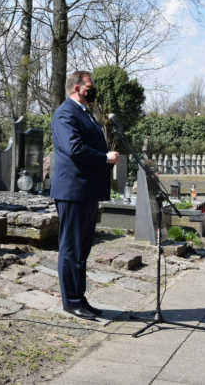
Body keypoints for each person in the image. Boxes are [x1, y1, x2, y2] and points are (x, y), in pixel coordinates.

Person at [51, 71, 120, 320]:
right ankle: (71, 301)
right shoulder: (65, 113)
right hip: (73, 191)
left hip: (87, 191)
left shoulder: (85, 112)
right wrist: (104, 158)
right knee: (71, 249)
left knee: (82, 250)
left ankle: (80, 297)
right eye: (90, 87)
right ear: (78, 88)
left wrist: (106, 157)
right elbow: (74, 148)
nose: (94, 90)